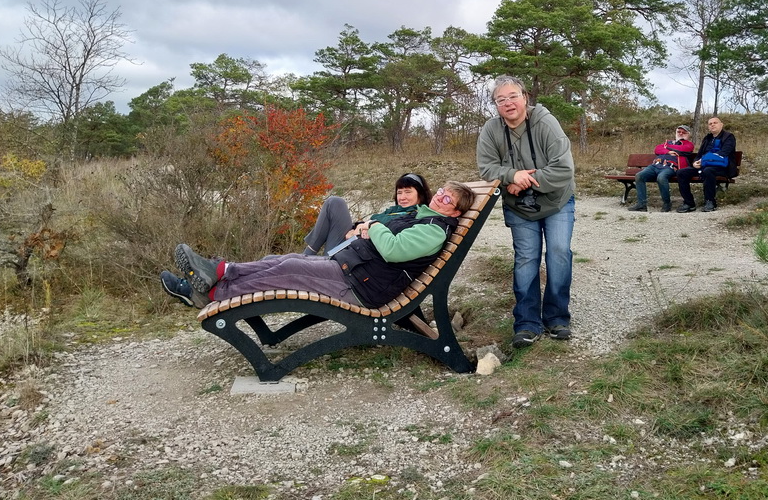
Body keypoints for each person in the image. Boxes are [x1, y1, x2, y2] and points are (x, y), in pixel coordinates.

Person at [160, 181, 475, 310]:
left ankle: (211, 293)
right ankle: (218, 271)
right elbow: (387, 240)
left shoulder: (433, 230)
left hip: (361, 287)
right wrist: (370, 228)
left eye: (449, 199)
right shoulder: (421, 216)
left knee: (289, 269)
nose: (441, 197)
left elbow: (393, 250)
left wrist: (373, 226)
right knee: (281, 261)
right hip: (353, 268)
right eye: (442, 191)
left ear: (455, 213)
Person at [476, 75, 576, 348]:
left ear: (525, 98)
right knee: (526, 259)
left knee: (559, 252)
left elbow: (564, 168)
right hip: (519, 206)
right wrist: (512, 175)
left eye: (513, 96)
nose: (508, 103)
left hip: (556, 200)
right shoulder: (491, 130)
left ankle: (557, 318)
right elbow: (486, 168)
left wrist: (525, 181)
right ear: (496, 105)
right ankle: (527, 323)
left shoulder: (545, 122)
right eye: (501, 99)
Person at [302, 173, 432, 255]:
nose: (402, 197)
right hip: (349, 244)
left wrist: (367, 227)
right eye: (399, 192)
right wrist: (359, 226)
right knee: (334, 202)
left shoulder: (417, 216)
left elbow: (393, 233)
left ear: (420, 195)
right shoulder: (394, 211)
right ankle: (308, 254)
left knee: (334, 202)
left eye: (408, 192)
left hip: (354, 257)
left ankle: (307, 259)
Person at [675, 117, 738, 213]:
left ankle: (710, 201)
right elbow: (699, 154)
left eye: (715, 123)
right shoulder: (707, 138)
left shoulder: (728, 137)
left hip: (721, 167)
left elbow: (724, 152)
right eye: (710, 124)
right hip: (703, 165)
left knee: (708, 171)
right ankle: (689, 203)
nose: (712, 125)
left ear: (721, 125)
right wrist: (695, 163)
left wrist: (705, 160)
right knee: (681, 172)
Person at [627, 125, 695, 212]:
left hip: (670, 167)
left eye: (684, 132)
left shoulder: (689, 144)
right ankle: (641, 204)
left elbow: (683, 149)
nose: (681, 133)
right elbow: (657, 149)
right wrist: (668, 151)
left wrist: (666, 146)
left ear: (688, 134)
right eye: (679, 132)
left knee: (661, 178)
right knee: (639, 176)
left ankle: (667, 203)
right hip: (655, 165)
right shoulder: (669, 142)